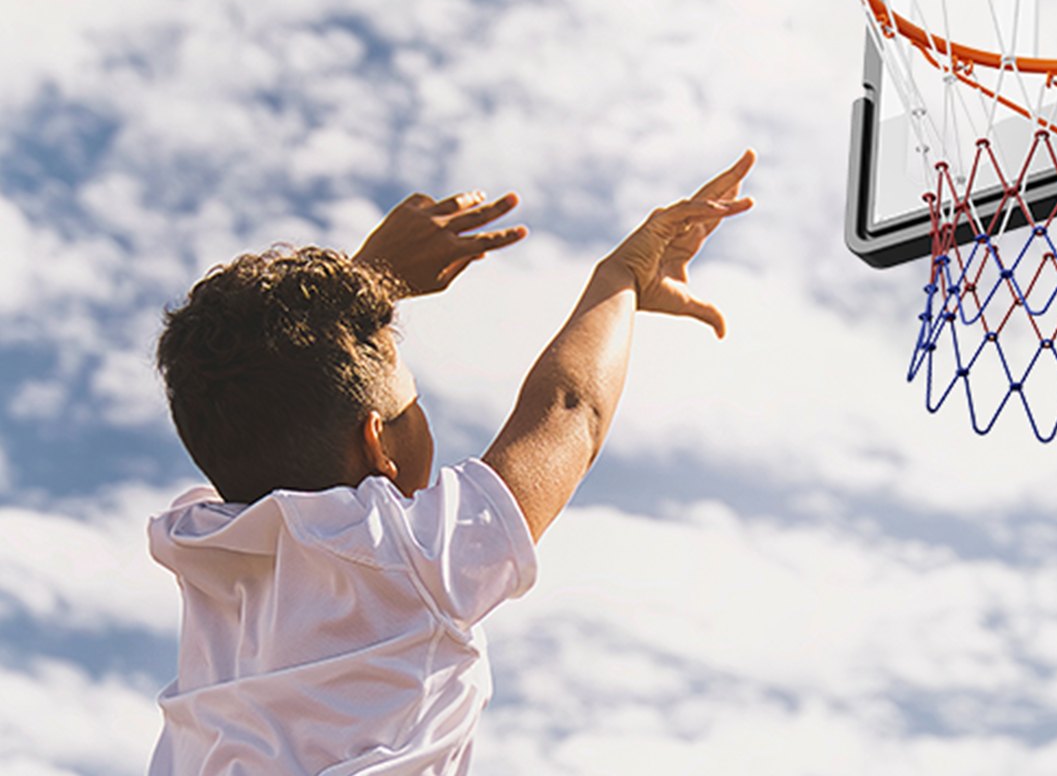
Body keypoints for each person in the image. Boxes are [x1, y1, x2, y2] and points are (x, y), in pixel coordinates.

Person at [148, 150, 755, 774]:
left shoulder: (198, 541)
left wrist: (362, 291)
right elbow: (570, 411)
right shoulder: (404, 552)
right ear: (379, 443)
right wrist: (623, 277)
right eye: (417, 404)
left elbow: (266, 399)